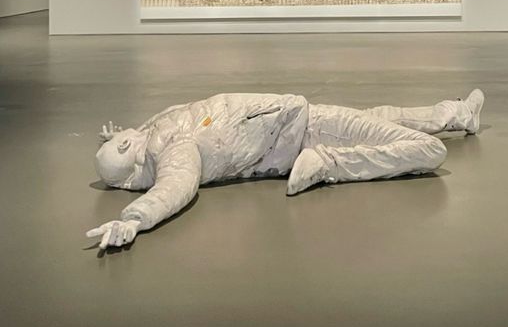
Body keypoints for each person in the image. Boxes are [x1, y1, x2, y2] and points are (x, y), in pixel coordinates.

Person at [87, 89, 485, 250]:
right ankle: (330, 163)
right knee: (428, 150)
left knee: (381, 118)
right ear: (126, 146)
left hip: (294, 127)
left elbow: (140, 146)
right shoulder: (175, 148)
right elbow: (175, 188)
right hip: (304, 133)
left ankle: (458, 114)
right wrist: (135, 219)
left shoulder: (157, 128)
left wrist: (114, 140)